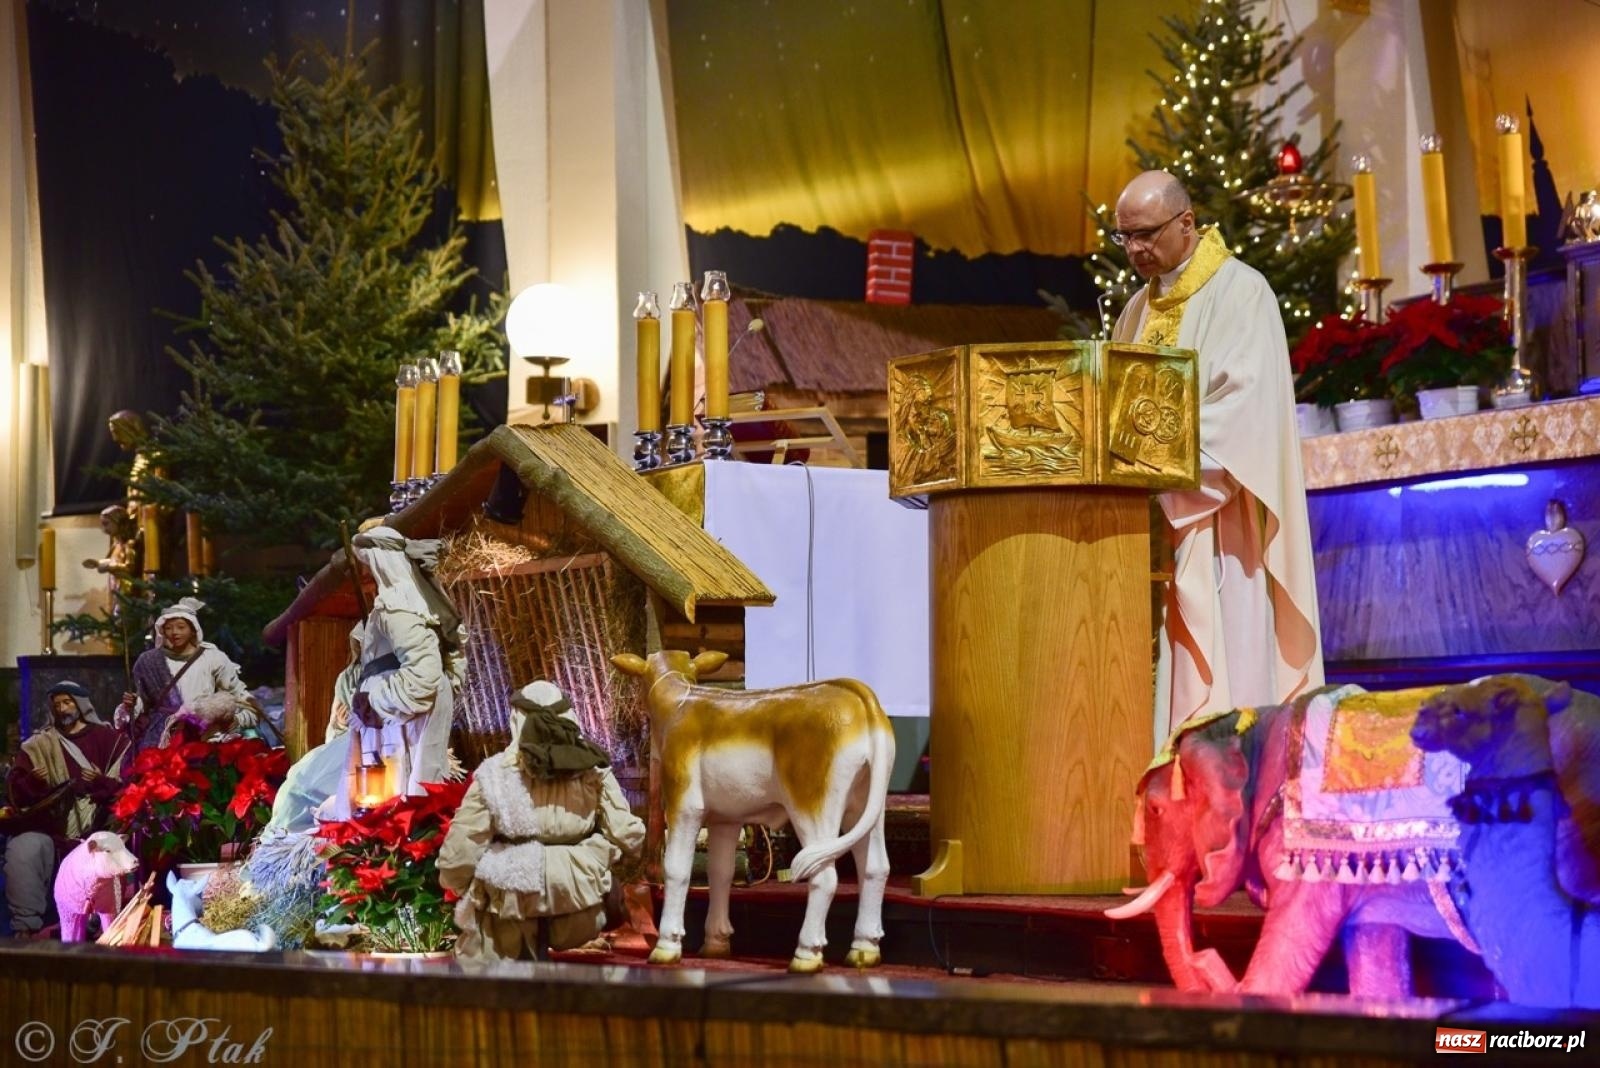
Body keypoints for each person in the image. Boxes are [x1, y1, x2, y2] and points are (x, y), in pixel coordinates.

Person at [1109, 170, 1323, 744]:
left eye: (1146, 234)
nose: (1135, 249)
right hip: (1146, 518)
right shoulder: (1137, 308)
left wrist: (1154, 470)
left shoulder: (1241, 292)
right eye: (1124, 237)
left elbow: (1244, 414)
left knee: (1227, 661)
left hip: (1219, 519)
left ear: (1186, 223)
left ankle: (1223, 775)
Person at [438, 681, 645, 960]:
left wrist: (458, 883)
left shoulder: (496, 773)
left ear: (516, 720)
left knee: (484, 958)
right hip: (579, 896)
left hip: (513, 898)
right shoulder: (594, 769)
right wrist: (603, 856)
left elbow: (462, 848)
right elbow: (628, 834)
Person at [320, 527, 465, 821]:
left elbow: (423, 676)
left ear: (381, 562)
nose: (364, 573)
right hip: (393, 719)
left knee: (401, 788)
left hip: (399, 720)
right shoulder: (410, 603)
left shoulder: (397, 608)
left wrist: (375, 700)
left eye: (366, 564)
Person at [4, 682, 131, 938]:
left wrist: (101, 783)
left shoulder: (110, 740)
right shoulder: (40, 745)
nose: (62, 709)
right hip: (51, 830)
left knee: (109, 848)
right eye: (57, 704)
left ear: (81, 704)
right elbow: (16, 792)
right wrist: (32, 782)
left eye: (67, 702)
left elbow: (128, 787)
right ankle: (25, 929)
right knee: (23, 848)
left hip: (99, 827)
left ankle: (104, 925)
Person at [115, 597, 259, 753]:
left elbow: (239, 697)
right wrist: (132, 704)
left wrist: (236, 719)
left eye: (181, 627)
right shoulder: (149, 661)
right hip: (161, 738)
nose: (174, 632)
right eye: (168, 628)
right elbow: (145, 701)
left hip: (204, 735)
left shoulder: (212, 658)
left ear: (193, 629)